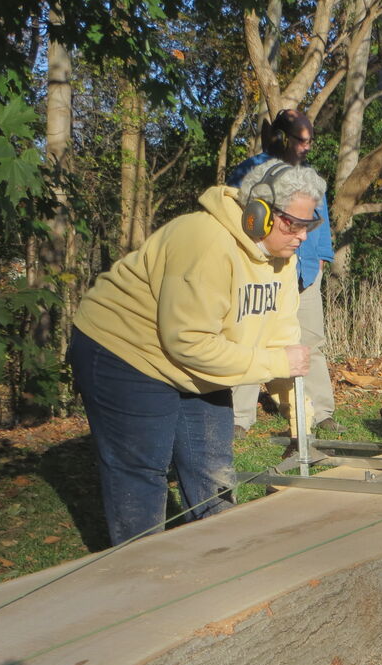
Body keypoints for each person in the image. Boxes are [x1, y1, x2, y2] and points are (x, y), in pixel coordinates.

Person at [68, 158, 327, 546]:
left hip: (200, 358)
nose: (303, 236)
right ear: (258, 213)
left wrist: (300, 423)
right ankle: (141, 573)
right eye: (295, 223)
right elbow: (187, 341)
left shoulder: (282, 262)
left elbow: (282, 344)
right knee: (144, 468)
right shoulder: (204, 240)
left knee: (210, 464)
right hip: (126, 351)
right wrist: (275, 362)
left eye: (310, 225)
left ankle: (220, 556)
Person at [227, 108, 345, 436]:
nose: (307, 147)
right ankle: (239, 418)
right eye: (301, 140)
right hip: (262, 269)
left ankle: (319, 413)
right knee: (251, 340)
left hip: (305, 272)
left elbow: (320, 225)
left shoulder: (309, 178)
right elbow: (235, 216)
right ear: (281, 138)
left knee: (311, 343)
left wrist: (319, 259)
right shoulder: (250, 171)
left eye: (310, 141)